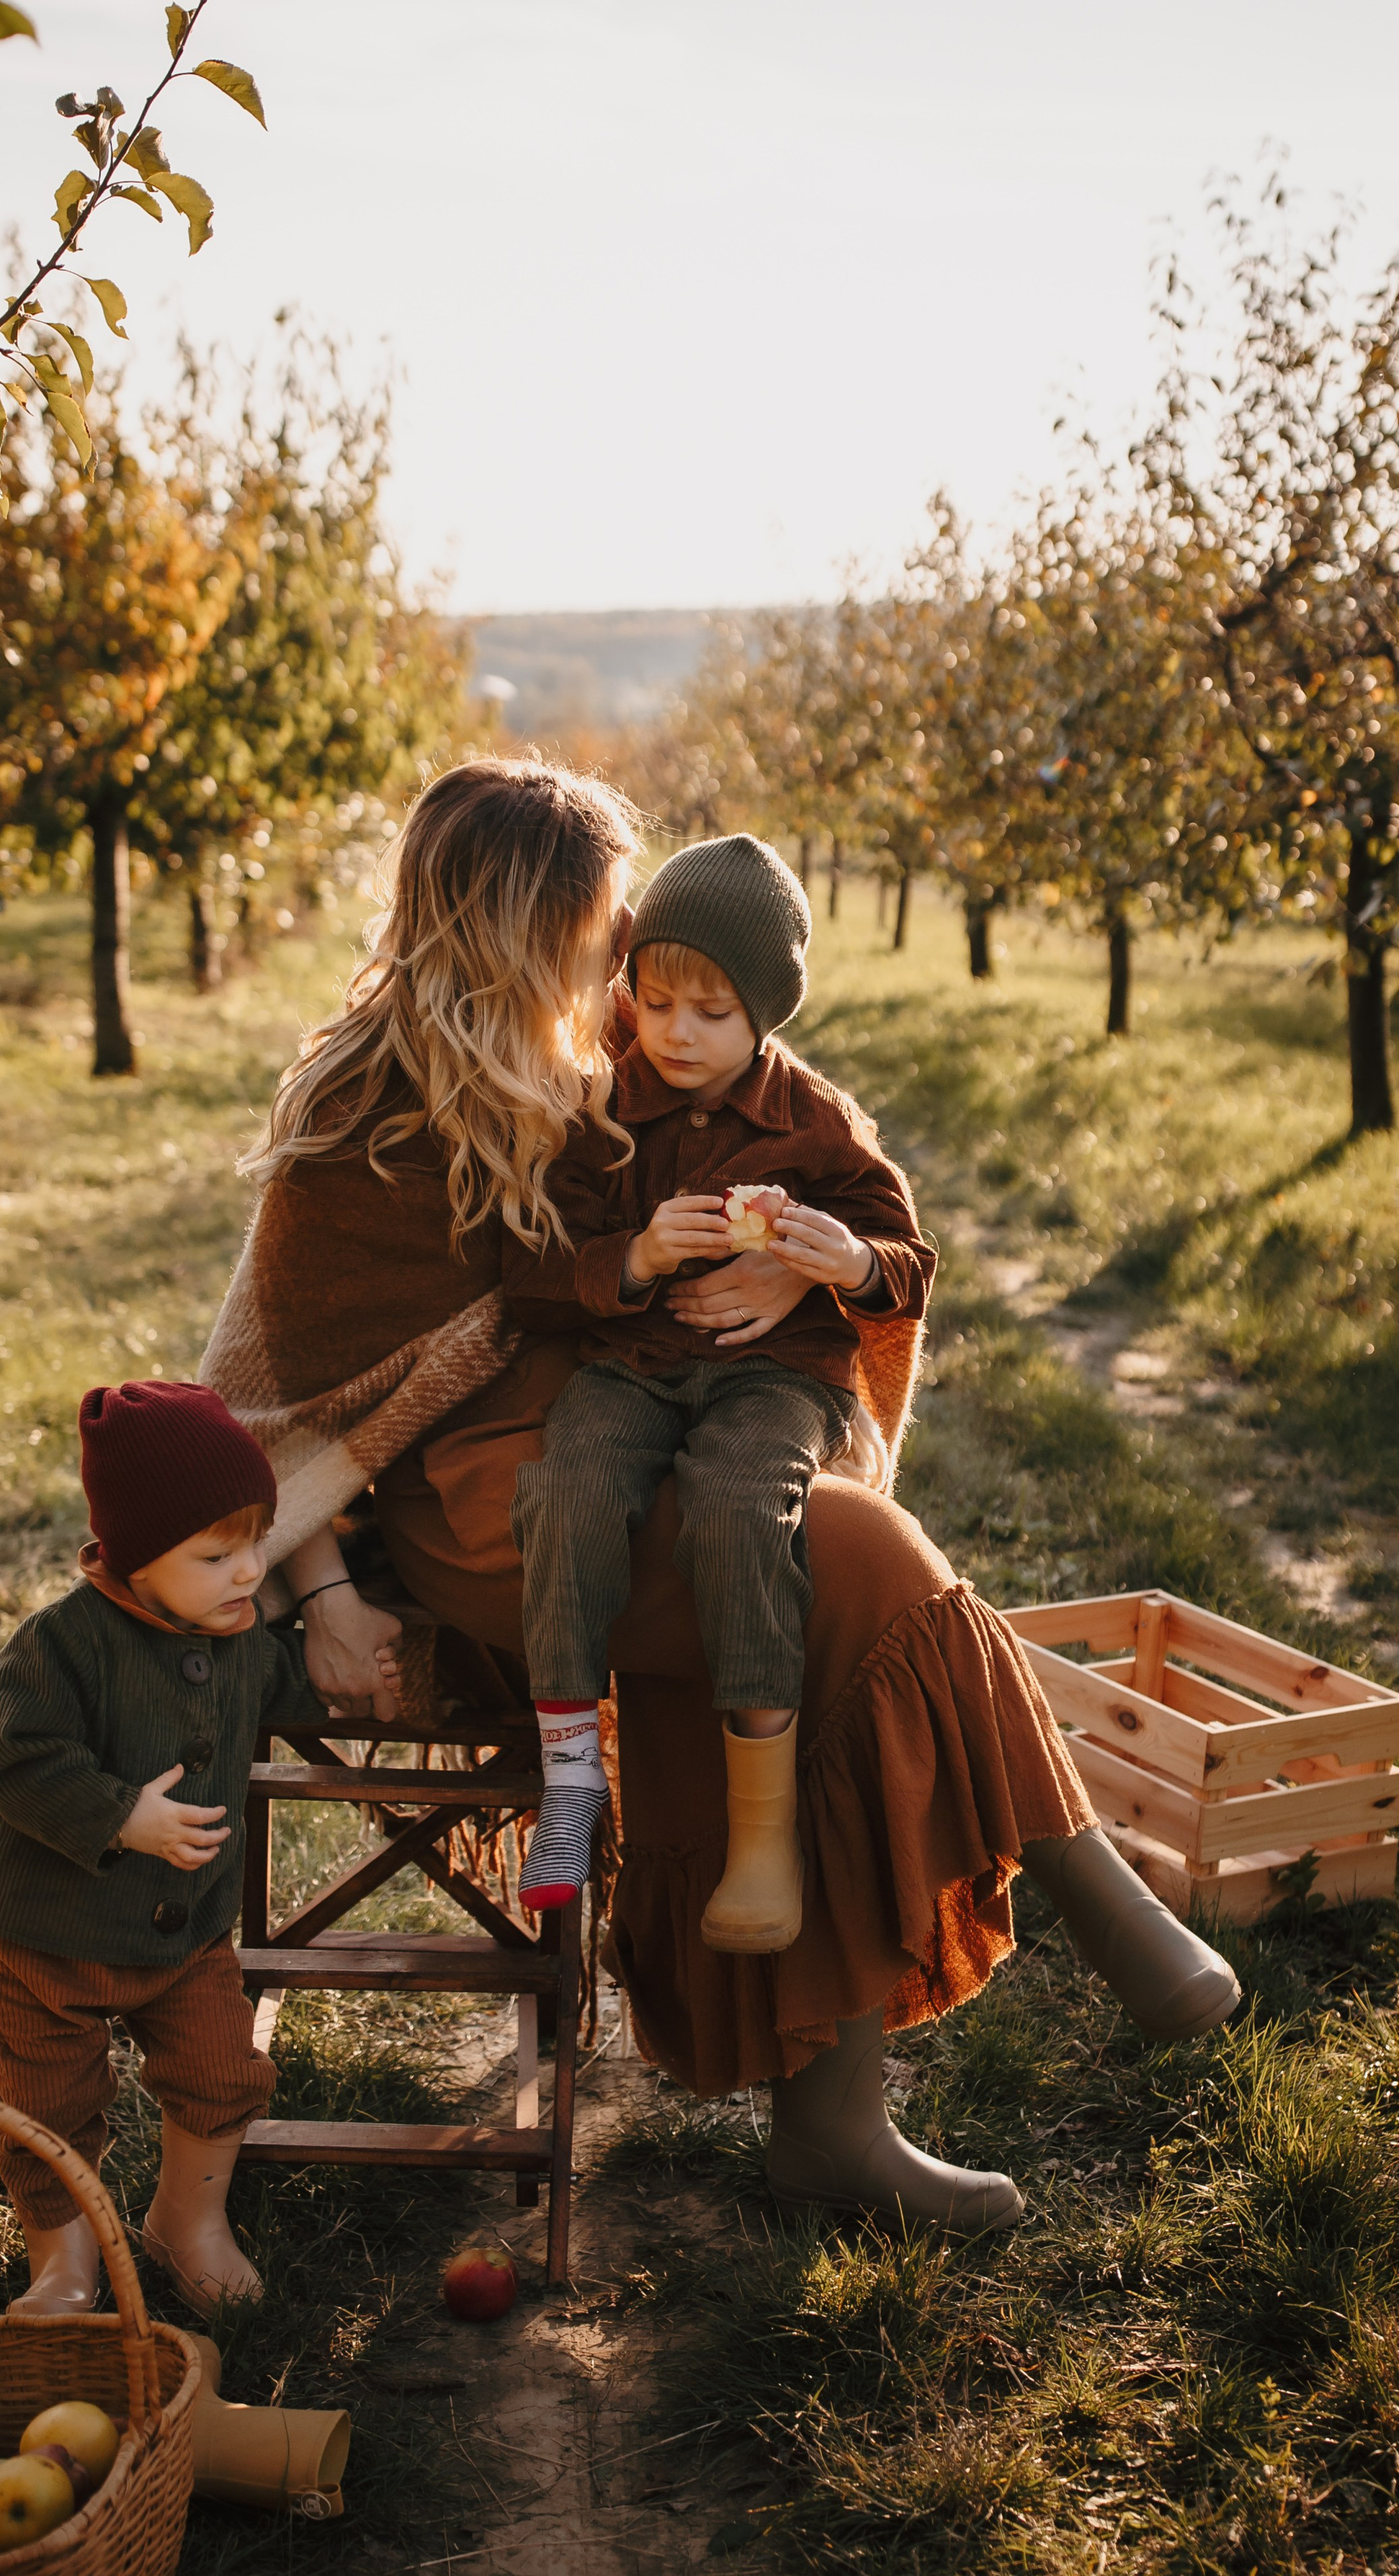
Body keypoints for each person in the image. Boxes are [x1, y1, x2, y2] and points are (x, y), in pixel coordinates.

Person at [201, 757, 1239, 2238]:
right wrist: (326, 1590)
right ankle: (1061, 1904)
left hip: (615, 1443)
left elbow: (746, 1205)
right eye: (600, 922)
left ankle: (846, 2107)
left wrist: (766, 1264)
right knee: (853, 1565)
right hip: (492, 1515)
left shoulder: (579, 1066)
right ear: (520, 926)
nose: (622, 951)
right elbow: (275, 1406)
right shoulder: (361, 1112)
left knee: (813, 1587)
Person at [503, 833, 937, 1954]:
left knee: (747, 1507)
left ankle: (763, 1831)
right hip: (634, 1366)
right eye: (655, 1002)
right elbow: (533, 1273)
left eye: (710, 1010)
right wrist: (636, 1258)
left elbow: (907, 1262)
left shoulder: (816, 1124)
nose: (677, 1032)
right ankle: (568, 1789)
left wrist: (838, 1262)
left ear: (766, 1015)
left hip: (774, 1375)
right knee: (569, 1489)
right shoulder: (598, 1114)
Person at [0, 1379, 350, 2317]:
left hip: (186, 1945)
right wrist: (120, 1816)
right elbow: (18, 1761)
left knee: (223, 2071)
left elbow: (285, 1684)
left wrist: (355, 1669)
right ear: (135, 1558)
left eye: (259, 1542)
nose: (251, 1571)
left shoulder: (239, 1638)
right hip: (45, 1943)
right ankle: (64, 2261)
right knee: (52, 2104)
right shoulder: (61, 1647)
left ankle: (188, 2222)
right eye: (216, 1554)